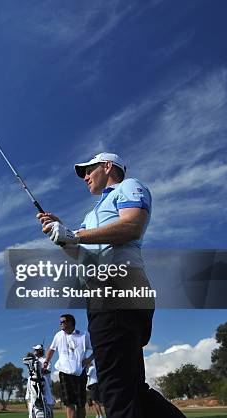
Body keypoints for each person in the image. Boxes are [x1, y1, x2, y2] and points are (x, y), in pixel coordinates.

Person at [37, 152, 186, 418]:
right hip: (101, 294)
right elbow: (83, 253)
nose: (85, 176)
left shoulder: (129, 187)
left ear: (108, 166)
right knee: (132, 388)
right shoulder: (91, 214)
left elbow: (132, 226)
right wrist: (62, 235)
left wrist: (75, 235)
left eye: (89, 170)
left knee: (115, 389)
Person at [43, 314, 92, 418]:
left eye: (63, 322)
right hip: (64, 373)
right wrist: (46, 362)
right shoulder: (58, 335)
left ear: (70, 322)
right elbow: (51, 349)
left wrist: (89, 359)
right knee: (69, 403)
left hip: (80, 373)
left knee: (80, 404)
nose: (60, 324)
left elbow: (96, 348)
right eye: (60, 322)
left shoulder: (84, 335)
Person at [32, 344, 55, 409]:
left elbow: (48, 371)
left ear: (39, 351)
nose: (34, 351)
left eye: (35, 350)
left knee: (47, 405)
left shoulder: (46, 360)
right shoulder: (33, 360)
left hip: (45, 384)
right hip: (35, 384)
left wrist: (41, 370)